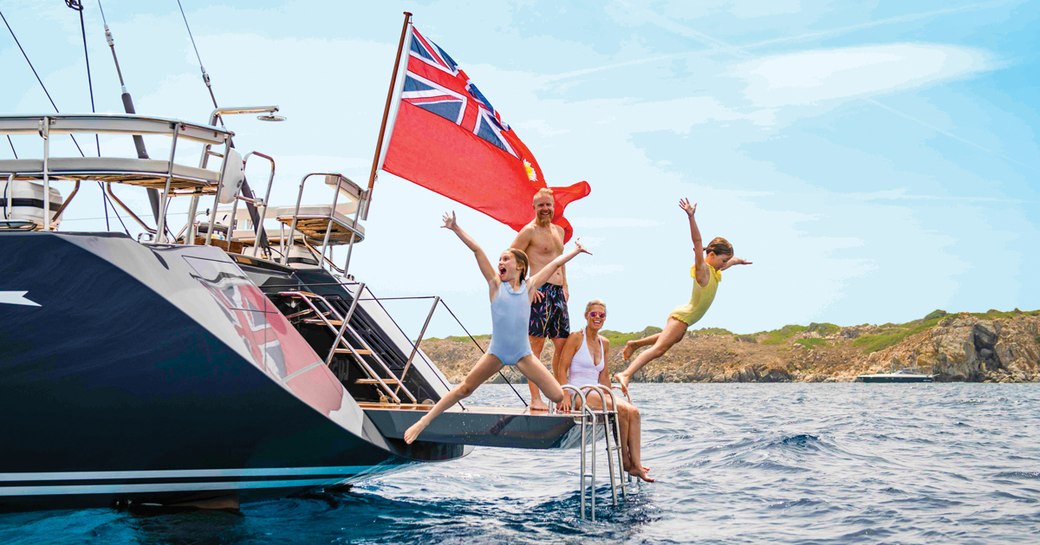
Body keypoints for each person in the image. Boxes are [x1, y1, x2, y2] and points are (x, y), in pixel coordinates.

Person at [404, 211, 590, 444]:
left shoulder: (530, 287)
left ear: (520, 267)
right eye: (499, 260)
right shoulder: (495, 286)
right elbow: (477, 250)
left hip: (524, 355)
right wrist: (456, 228)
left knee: (557, 395)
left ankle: (585, 413)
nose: (500, 263)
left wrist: (575, 250)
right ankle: (423, 422)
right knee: (464, 389)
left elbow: (555, 263)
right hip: (497, 353)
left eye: (505, 259)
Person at [614, 198, 751, 397]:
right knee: (660, 349)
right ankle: (625, 374)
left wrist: (738, 261)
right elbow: (697, 243)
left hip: (685, 318)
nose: (724, 264)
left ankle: (634, 344)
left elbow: (731, 263)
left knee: (670, 339)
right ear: (711, 254)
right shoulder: (703, 271)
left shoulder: (716, 270)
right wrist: (691, 217)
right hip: (683, 316)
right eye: (723, 260)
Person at [558, 300, 654, 482]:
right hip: (579, 393)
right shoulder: (576, 338)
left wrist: (612, 395)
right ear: (586, 316)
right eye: (593, 314)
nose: (597, 318)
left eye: (602, 315)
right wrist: (563, 395)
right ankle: (626, 462)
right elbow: (561, 369)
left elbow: (603, 375)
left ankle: (637, 464)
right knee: (622, 410)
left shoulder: (605, 343)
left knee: (633, 412)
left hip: (597, 391)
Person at [510, 188, 570, 412]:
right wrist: (526, 285)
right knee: (535, 348)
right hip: (539, 292)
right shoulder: (528, 232)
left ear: (554, 207)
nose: (545, 209)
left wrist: (565, 284)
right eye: (541, 205)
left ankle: (562, 395)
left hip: (557, 295)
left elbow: (561, 259)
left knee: (562, 347)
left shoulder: (559, 231)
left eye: (548, 205)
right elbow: (510, 259)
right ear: (533, 207)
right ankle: (535, 398)